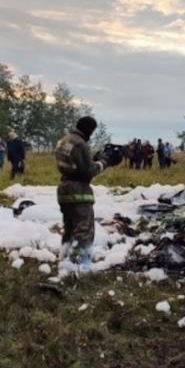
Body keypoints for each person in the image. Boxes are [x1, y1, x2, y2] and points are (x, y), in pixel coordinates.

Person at [55, 116, 110, 272]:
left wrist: (92, 159)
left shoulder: (64, 140)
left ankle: (64, 258)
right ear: (90, 129)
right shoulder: (80, 144)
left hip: (64, 189)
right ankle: (78, 264)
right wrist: (104, 162)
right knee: (84, 229)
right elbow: (87, 172)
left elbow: (74, 164)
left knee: (70, 227)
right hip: (78, 191)